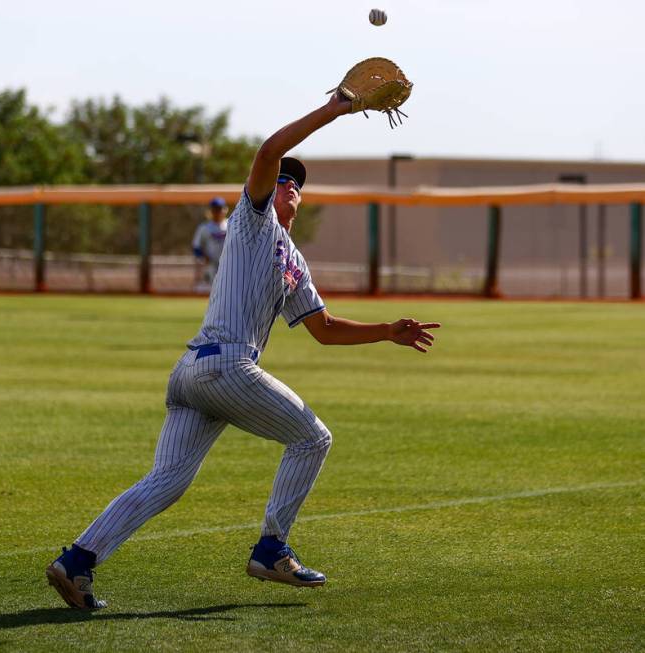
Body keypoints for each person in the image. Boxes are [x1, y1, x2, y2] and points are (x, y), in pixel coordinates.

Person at [46, 90, 441, 610]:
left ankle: (77, 561)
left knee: (168, 481)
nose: (287, 185)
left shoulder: (292, 258)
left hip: (196, 376)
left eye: (295, 183)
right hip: (223, 364)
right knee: (313, 439)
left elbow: (322, 328)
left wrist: (386, 330)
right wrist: (335, 111)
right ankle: (272, 548)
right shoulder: (254, 221)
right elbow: (267, 151)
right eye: (282, 179)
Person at [192, 197, 229, 291]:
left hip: (228, 265)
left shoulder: (231, 225)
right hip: (211, 266)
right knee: (211, 292)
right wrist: (204, 257)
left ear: (225, 209)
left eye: (220, 209)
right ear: (210, 211)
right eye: (215, 209)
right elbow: (196, 247)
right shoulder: (204, 227)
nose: (218, 212)